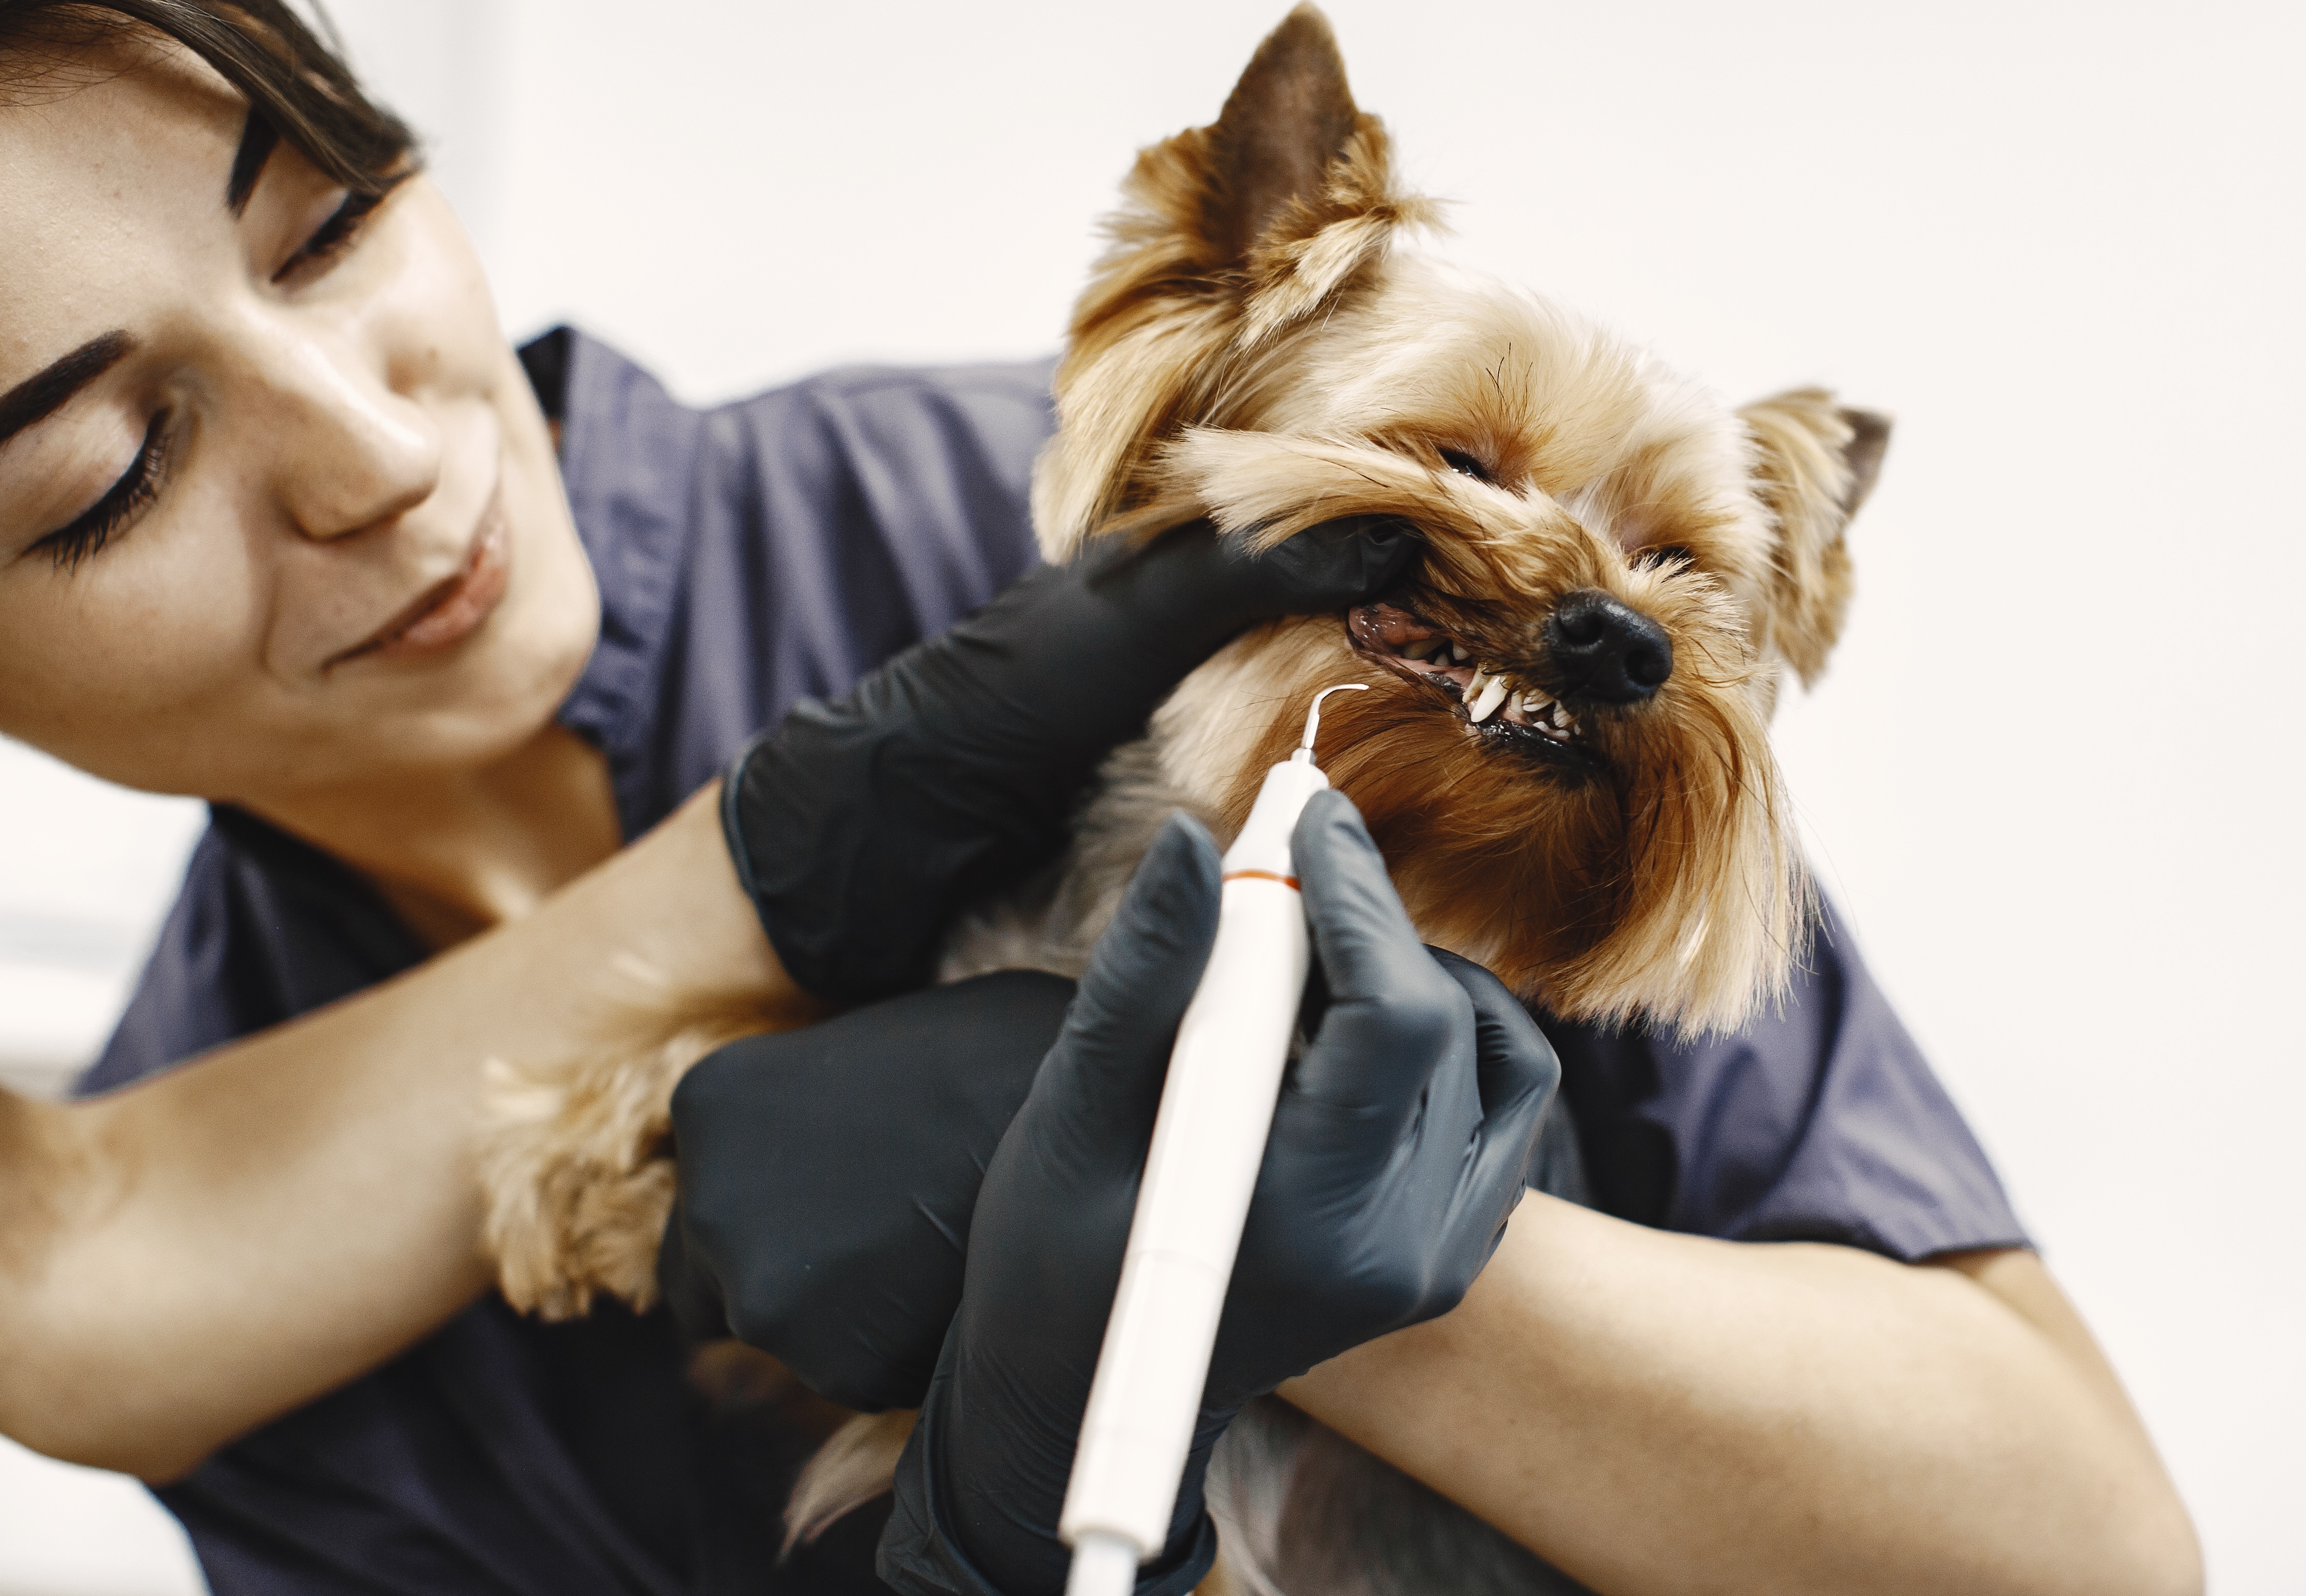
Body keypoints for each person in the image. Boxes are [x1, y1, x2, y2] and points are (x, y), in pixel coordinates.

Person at [0, 6, 2199, 1595]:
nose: (378, 454)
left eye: (334, 219)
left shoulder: (1161, 534)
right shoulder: (202, 1252)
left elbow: (2071, 1547)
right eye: (108, 474)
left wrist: (1283, 1248)